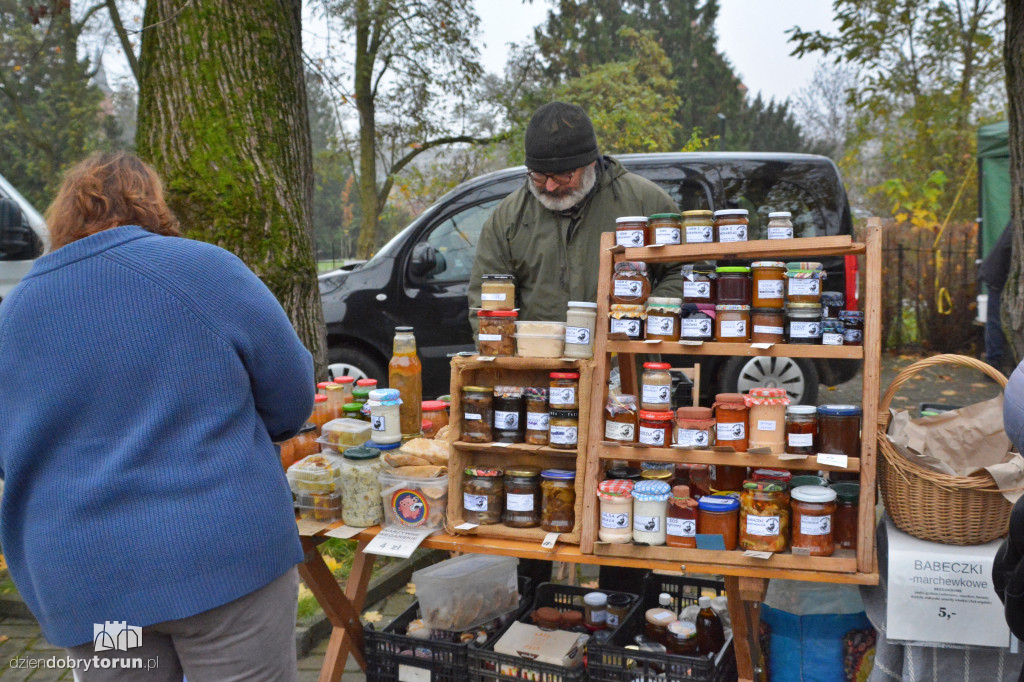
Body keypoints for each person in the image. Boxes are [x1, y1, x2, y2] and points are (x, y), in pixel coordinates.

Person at [0, 152, 314, 681]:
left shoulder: (12, 312)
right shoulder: (204, 268)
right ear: (152, 206)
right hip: (223, 564)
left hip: (90, 584)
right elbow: (291, 397)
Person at [469, 102, 682, 590]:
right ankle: (534, 598)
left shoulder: (643, 200)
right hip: (541, 389)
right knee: (537, 497)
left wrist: (643, 317)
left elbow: (687, 271)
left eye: (561, 175)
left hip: (624, 383)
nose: (548, 187)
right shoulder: (508, 218)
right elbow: (485, 301)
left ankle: (624, 606)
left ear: (591, 163)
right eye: (538, 175)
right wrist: (501, 373)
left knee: (624, 500)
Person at [980, 221, 1013, 374]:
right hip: (998, 277)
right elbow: (1008, 248)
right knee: (996, 321)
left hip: (999, 274)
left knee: (997, 321)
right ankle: (992, 364)